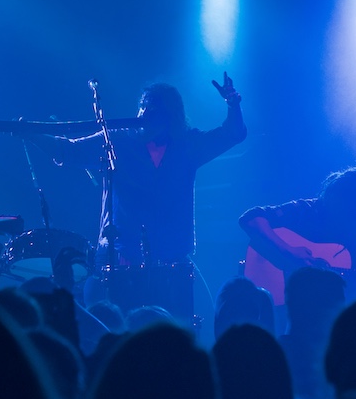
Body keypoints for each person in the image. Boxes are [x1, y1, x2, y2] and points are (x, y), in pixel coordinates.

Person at [38, 74, 246, 320]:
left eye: (151, 108)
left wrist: (232, 103)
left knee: (175, 329)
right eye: (141, 106)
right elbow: (69, 150)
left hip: (171, 258)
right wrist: (32, 134)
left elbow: (233, 134)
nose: (142, 113)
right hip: (120, 258)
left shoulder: (188, 145)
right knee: (123, 329)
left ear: (169, 115)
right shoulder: (117, 141)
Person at [239, 165, 356, 308]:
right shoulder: (308, 211)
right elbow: (251, 218)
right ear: (337, 200)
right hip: (290, 308)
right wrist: (288, 252)